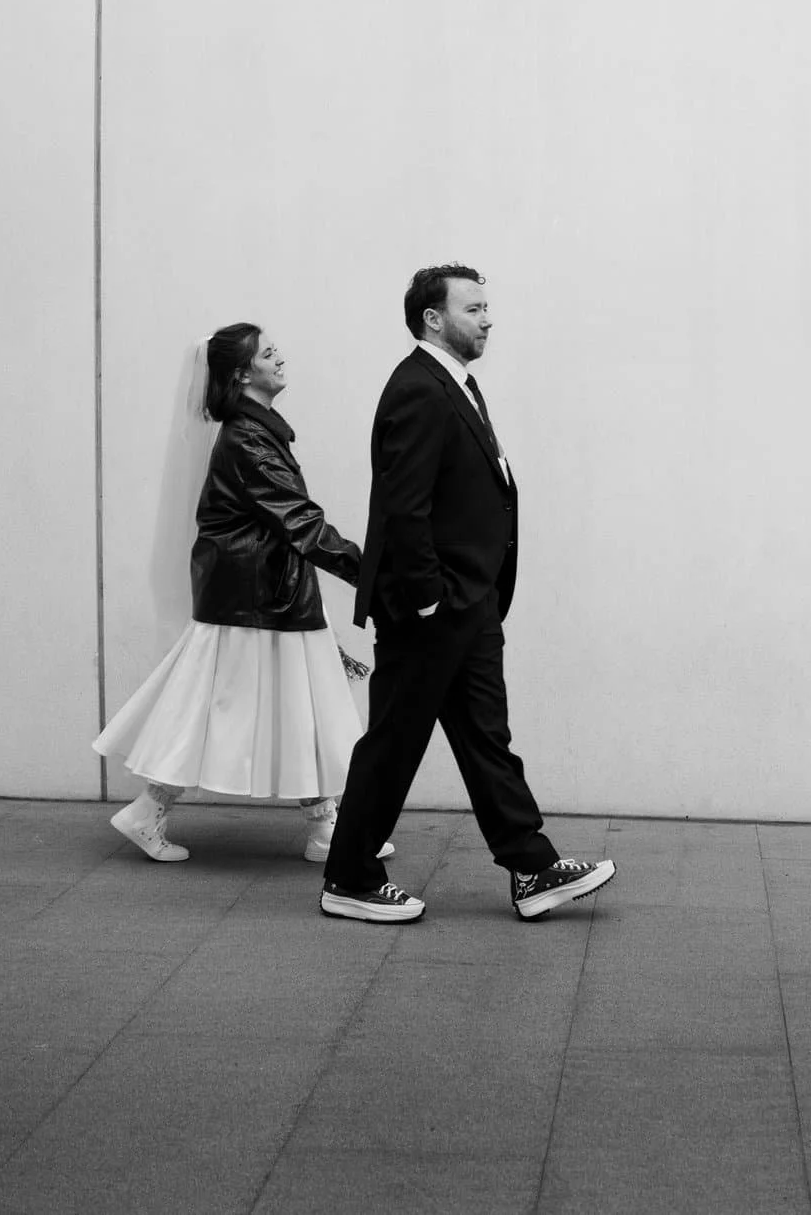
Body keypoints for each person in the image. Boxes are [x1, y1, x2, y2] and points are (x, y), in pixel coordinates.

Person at [319, 266, 614, 923]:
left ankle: (533, 867)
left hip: (468, 603)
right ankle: (349, 875)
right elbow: (405, 502)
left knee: (486, 737)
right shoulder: (419, 389)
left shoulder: (456, 384)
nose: (487, 319)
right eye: (474, 307)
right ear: (432, 317)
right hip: (431, 607)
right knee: (394, 739)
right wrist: (427, 597)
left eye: (487, 307)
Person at [94, 322, 390, 867]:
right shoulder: (248, 439)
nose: (281, 357)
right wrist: (371, 571)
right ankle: (152, 810)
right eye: (267, 353)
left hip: (260, 594)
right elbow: (299, 521)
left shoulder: (254, 432)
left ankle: (322, 823)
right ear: (240, 373)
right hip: (255, 599)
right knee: (238, 705)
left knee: (298, 701)